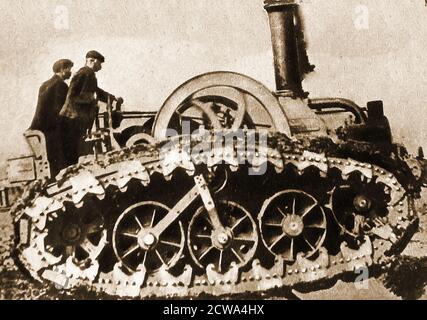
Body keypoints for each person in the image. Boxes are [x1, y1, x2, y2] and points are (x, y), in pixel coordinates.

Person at [60, 50, 123, 166]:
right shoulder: (86, 73)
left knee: (75, 147)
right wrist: (95, 103)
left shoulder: (86, 73)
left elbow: (96, 91)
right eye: (99, 63)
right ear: (92, 61)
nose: (100, 67)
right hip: (73, 117)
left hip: (74, 117)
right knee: (74, 148)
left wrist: (112, 98)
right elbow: (73, 95)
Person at [30, 59, 74, 176]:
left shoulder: (45, 84)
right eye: (69, 69)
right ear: (62, 69)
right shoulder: (61, 85)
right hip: (53, 129)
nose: (71, 72)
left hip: (41, 128)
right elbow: (61, 110)